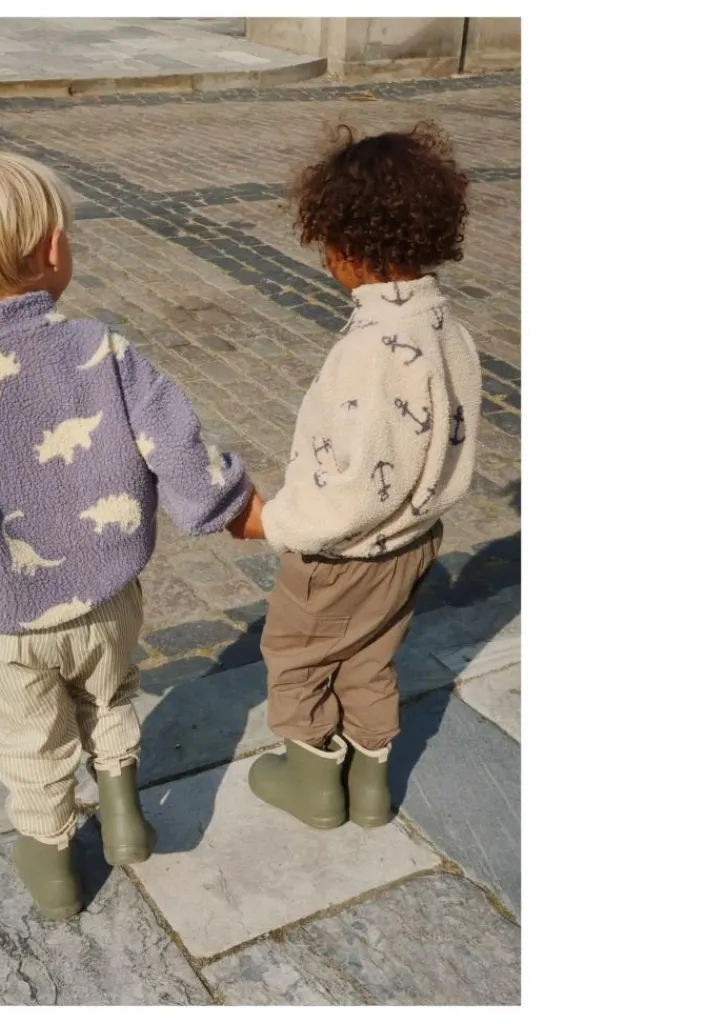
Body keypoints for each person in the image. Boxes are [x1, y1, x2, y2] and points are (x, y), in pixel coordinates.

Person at [0, 151, 258, 919]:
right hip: (108, 604)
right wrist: (228, 505)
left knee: (31, 740)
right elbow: (175, 443)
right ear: (53, 249)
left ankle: (51, 866)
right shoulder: (101, 350)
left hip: (10, 624)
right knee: (111, 696)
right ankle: (122, 810)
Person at [228, 121, 481, 832]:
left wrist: (271, 522)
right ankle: (370, 786)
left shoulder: (371, 350)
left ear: (346, 247)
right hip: (413, 544)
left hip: (342, 557)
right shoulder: (448, 329)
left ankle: (313, 785)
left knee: (297, 655)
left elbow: (354, 489)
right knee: (371, 655)